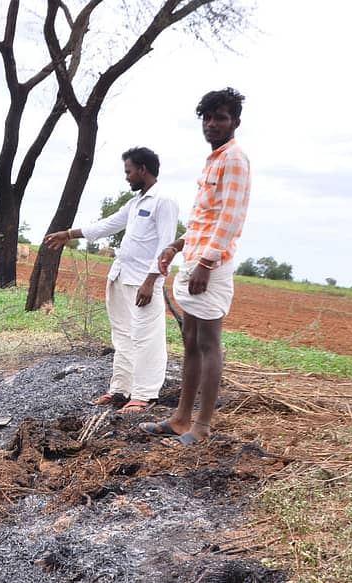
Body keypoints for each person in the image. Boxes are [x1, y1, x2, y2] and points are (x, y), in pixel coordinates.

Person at [140, 87, 251, 447]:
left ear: (235, 121)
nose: (213, 123)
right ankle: (180, 419)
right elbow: (204, 219)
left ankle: (201, 426)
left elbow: (230, 219)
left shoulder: (234, 158)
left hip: (211, 266)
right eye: (208, 117)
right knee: (190, 341)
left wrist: (205, 262)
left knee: (208, 344)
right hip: (195, 258)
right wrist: (178, 245)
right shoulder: (214, 159)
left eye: (220, 117)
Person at [45, 147, 179, 414]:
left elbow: (166, 245)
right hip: (121, 277)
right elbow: (107, 225)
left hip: (143, 283)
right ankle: (120, 390)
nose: (126, 177)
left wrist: (151, 281)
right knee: (123, 337)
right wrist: (68, 233)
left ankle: (144, 395)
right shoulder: (135, 203)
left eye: (129, 171)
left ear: (142, 169)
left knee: (146, 338)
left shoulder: (164, 201)